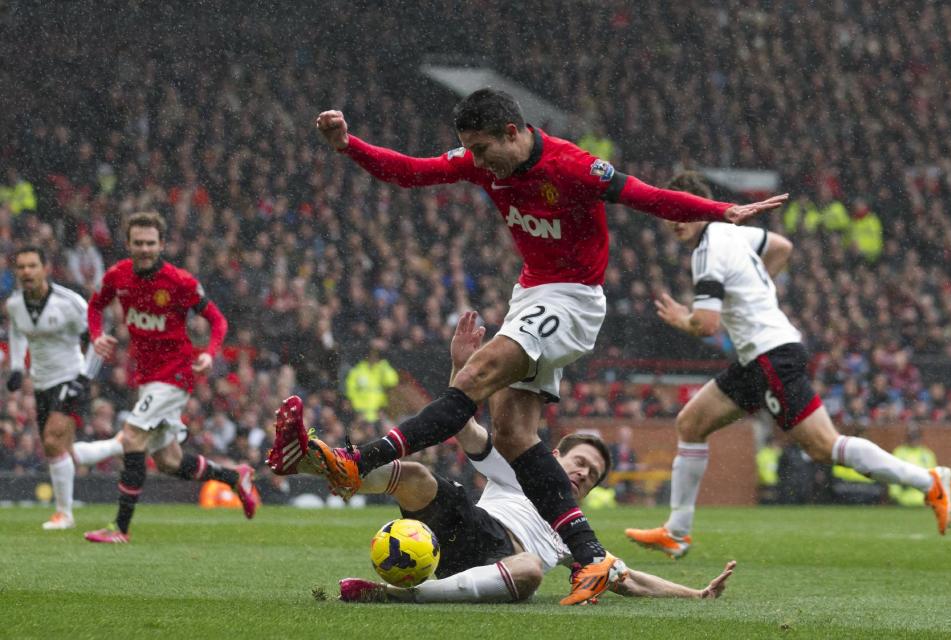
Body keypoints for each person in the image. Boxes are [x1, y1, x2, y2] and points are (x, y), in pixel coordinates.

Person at [307, 89, 786, 604]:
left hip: (573, 299)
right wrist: (347, 145)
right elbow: (411, 171)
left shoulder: (573, 166)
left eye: (484, 147)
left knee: (473, 377)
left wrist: (722, 211)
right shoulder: (481, 162)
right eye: (470, 149)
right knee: (513, 434)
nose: (478, 159)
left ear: (513, 132)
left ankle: (361, 458)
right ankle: (589, 556)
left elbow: (646, 196)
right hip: (532, 295)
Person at [273, 311, 736, 604]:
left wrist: (697, 593)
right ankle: (310, 460)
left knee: (532, 569)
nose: (581, 473)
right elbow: (463, 424)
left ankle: (395, 595)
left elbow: (629, 578)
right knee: (413, 474)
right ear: (552, 455)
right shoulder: (518, 470)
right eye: (578, 462)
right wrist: (461, 366)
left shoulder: (572, 535)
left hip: (504, 563)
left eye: (591, 475)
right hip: (469, 526)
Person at [625, 173, 951, 559]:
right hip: (759, 356)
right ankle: (677, 531)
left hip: (771, 355)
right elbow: (782, 246)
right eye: (669, 213)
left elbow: (707, 324)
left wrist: (683, 318)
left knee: (823, 447)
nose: (676, 220)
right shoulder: (733, 234)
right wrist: (757, 290)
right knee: (690, 424)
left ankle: (929, 480)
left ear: (702, 208)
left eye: (684, 211)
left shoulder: (707, 253)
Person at [83, 212, 258, 543]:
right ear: (129, 244)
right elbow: (95, 306)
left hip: (175, 374)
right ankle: (235, 477)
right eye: (139, 243)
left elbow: (218, 320)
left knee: (132, 437)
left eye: (151, 243)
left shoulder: (180, 282)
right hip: (147, 377)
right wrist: (96, 335)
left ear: (162, 244)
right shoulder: (118, 276)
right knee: (168, 461)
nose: (145, 249)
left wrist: (210, 352)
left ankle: (120, 529)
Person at [5, 246, 122, 529]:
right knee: (58, 450)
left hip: (70, 377)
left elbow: (98, 340)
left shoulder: (70, 303)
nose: (26, 272)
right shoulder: (15, 305)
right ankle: (118, 445)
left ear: (46, 269)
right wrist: (18, 368)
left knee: (53, 441)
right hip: (42, 382)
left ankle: (64, 514)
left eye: (32, 265)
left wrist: (83, 380)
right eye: (21, 267)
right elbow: (18, 332)